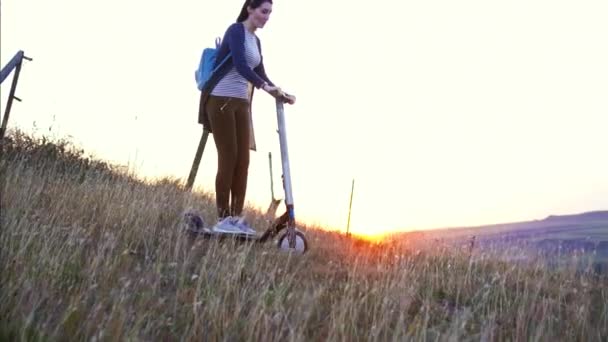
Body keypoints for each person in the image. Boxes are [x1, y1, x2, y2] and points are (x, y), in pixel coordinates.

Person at [198, 0, 296, 234]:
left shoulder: (256, 41)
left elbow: (260, 71)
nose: (267, 17)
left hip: (242, 103)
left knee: (243, 161)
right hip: (220, 99)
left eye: (270, 13)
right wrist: (264, 86)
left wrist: (279, 91)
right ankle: (223, 219)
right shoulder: (235, 31)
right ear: (250, 9)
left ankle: (236, 218)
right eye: (264, 11)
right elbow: (241, 66)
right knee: (228, 157)